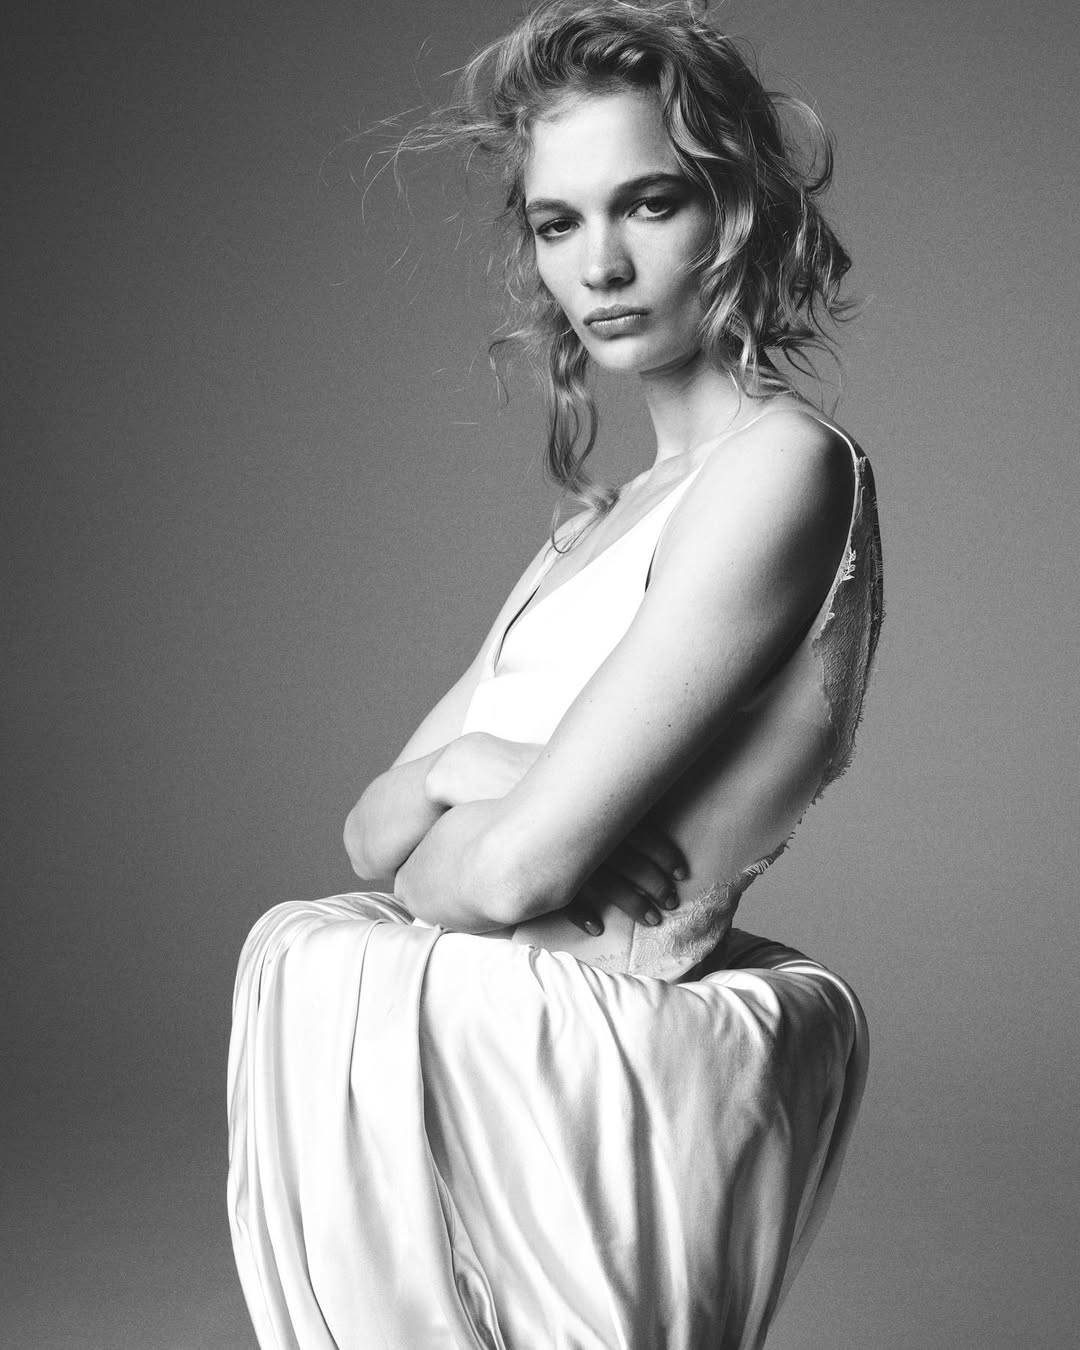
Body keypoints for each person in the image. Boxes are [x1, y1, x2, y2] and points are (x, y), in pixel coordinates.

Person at [227, 3, 883, 1346]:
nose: (604, 263)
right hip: (489, 1049)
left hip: (588, 1064)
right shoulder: (599, 520)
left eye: (650, 202)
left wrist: (480, 816)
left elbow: (512, 877)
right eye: (557, 222)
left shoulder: (782, 467)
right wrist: (485, 771)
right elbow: (369, 835)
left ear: (736, 211)